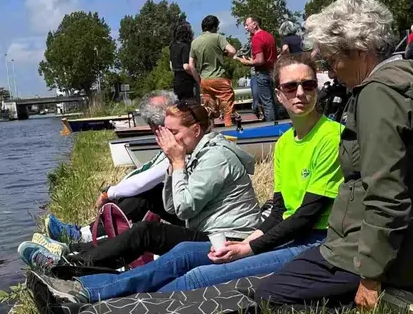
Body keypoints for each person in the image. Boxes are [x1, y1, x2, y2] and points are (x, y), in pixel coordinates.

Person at [32, 55, 343, 311]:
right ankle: (81, 287)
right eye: (291, 86)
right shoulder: (286, 141)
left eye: (308, 84)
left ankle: (96, 300)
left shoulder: (331, 136)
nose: (300, 93)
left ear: (317, 88)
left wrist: (247, 247)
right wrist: (246, 245)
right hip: (276, 235)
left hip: (311, 242)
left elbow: (306, 217)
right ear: (278, 94)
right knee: (181, 254)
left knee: (196, 277)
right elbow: (279, 210)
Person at [250, 0, 413, 312]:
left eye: (333, 60)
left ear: (361, 50)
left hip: (372, 255)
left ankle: (392, 301)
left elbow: (386, 193)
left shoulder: (377, 96)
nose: (332, 72)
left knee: (268, 295)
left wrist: (371, 275)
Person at [19, 100, 259, 275]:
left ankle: (69, 267)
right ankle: (71, 250)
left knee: (146, 232)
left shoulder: (215, 158)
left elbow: (185, 209)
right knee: (152, 198)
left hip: (227, 240)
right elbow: (174, 203)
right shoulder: (196, 151)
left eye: (173, 132)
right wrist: (173, 165)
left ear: (196, 130)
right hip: (208, 226)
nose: (168, 138)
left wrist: (176, 163)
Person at [43, 91, 178, 242]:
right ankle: (86, 231)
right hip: (181, 206)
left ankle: (84, 237)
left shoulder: (180, 146)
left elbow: (146, 180)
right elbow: (144, 171)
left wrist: (109, 194)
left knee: (147, 195)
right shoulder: (176, 141)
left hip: (190, 219)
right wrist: (115, 190)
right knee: (133, 192)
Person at [188, 16, 237, 127]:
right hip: (219, 77)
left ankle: (209, 129)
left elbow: (191, 65)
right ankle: (229, 127)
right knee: (227, 105)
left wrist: (199, 80)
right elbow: (233, 51)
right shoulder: (218, 37)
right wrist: (225, 53)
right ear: (214, 27)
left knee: (209, 108)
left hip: (205, 80)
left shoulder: (194, 42)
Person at [235, 16, 278, 121]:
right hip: (273, 71)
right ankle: (278, 123)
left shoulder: (256, 38)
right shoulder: (269, 36)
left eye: (247, 25)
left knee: (267, 103)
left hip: (262, 73)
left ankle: (271, 126)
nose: (246, 28)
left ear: (254, 24)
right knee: (274, 101)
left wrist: (245, 62)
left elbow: (259, 61)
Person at [169, 21, 198, 101]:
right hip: (186, 81)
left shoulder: (172, 46)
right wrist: (196, 76)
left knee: (181, 106)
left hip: (176, 79)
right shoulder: (186, 46)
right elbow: (186, 66)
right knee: (191, 104)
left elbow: (171, 65)